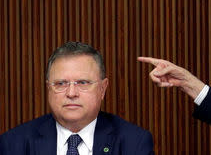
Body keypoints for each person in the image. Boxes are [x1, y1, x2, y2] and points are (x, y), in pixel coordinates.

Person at [0, 41, 154, 155]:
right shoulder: (13, 144)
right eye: (61, 83)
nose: (71, 93)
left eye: (83, 83)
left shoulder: (134, 143)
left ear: (103, 88)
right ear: (48, 88)